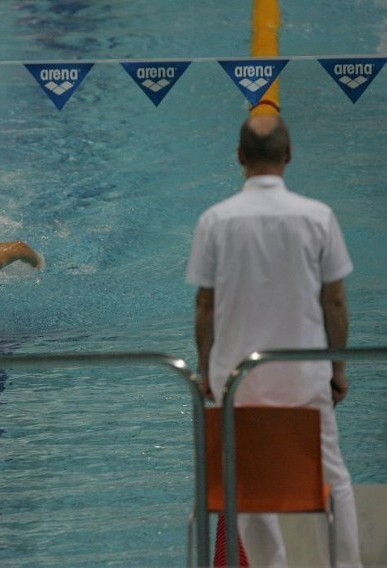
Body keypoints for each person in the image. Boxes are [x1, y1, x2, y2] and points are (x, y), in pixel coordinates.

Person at [186, 114, 361, 567]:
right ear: (289, 156)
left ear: (240, 157)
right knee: (333, 478)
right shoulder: (317, 217)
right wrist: (337, 368)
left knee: (248, 487)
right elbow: (335, 301)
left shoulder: (215, 220)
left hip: (237, 381)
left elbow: (205, 306)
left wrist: (206, 370)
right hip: (305, 376)